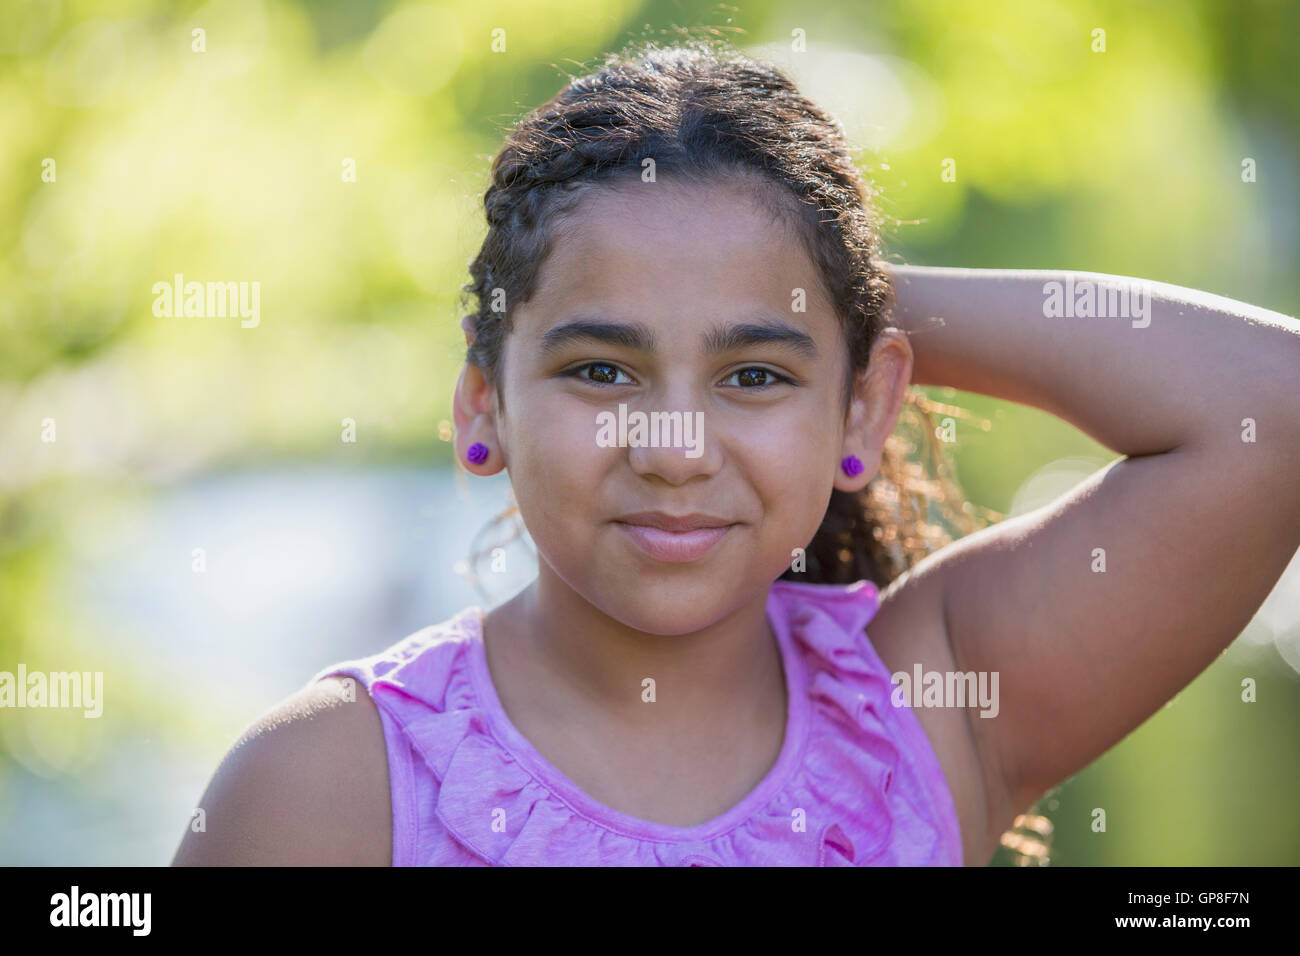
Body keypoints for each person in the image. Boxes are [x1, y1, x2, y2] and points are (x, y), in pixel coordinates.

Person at [172, 40, 1300, 866]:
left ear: (863, 412)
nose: (673, 451)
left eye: (755, 374)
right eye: (602, 370)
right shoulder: (331, 785)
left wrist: (838, 290)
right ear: (483, 407)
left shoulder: (928, 706)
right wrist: (781, 300)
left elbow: (1274, 409)